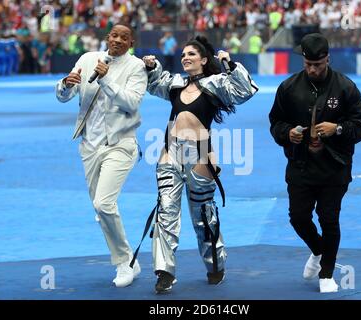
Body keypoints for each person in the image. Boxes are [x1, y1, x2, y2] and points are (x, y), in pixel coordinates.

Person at [141, 36, 258, 294]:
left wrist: (230, 64)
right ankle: (164, 272)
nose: (185, 58)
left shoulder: (216, 83)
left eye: (191, 54)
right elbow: (154, 84)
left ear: (204, 60)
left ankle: (215, 264)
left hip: (201, 155)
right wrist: (151, 66)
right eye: (183, 54)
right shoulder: (175, 82)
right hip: (169, 154)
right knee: (165, 212)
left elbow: (246, 91)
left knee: (204, 215)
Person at [269, 33, 361, 293]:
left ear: (328, 59)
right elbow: (275, 123)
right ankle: (319, 251)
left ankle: (327, 273)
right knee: (298, 218)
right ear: (303, 61)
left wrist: (337, 129)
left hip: (334, 166)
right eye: (308, 65)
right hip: (300, 165)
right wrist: (287, 133)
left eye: (319, 64)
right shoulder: (288, 88)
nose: (313, 69)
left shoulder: (345, 87)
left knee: (329, 219)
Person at [55, 23, 148, 288]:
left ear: (131, 43)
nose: (118, 40)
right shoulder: (87, 59)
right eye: (114, 35)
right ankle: (128, 256)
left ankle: (123, 263)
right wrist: (64, 85)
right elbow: (65, 95)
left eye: (124, 37)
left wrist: (106, 79)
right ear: (107, 38)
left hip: (120, 144)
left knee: (103, 204)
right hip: (89, 146)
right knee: (102, 210)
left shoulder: (137, 67)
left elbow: (130, 102)